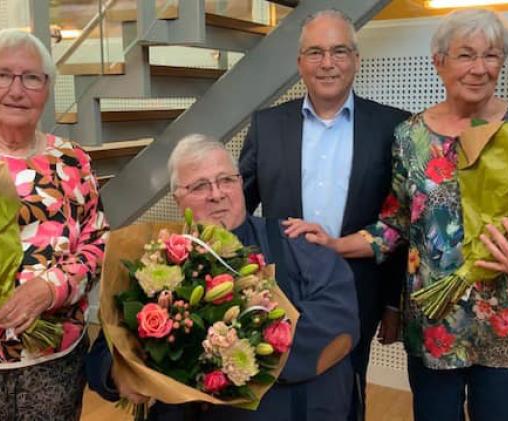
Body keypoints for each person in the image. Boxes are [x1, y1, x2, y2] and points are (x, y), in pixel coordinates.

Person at [285, 9, 508, 421]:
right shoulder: (410, 136)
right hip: (434, 330)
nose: (480, 69)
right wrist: (336, 243)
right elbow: (396, 222)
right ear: (439, 62)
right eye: (466, 55)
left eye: (492, 56)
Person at [87, 134, 360, 421]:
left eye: (226, 180)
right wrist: (120, 372)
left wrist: (234, 350)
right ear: (178, 199)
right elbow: (104, 355)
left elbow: (340, 318)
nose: (216, 194)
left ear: (241, 183)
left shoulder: (295, 241)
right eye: (200, 186)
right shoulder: (155, 263)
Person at [238, 8, 410, 419]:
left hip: (359, 290)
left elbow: (401, 222)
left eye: (339, 51)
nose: (327, 63)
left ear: (355, 59)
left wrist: (393, 303)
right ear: (299, 63)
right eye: (315, 52)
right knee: (274, 392)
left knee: (346, 391)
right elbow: (239, 208)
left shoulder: (393, 127)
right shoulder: (267, 124)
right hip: (278, 290)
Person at [0, 29, 108, 419]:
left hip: (55, 359)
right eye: (2, 75)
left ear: (46, 89)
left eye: (31, 77)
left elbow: (97, 244)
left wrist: (49, 289)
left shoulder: (73, 160)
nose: (17, 89)